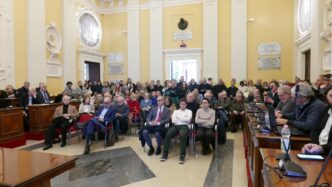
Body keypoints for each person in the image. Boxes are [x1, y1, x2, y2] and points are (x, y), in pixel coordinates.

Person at [302, 85, 332, 155]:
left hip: (328, 154)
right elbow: (315, 130)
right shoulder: (324, 110)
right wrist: (311, 144)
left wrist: (322, 148)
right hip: (318, 151)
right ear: (326, 97)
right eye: (331, 96)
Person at [161, 99, 192, 164]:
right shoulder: (176, 111)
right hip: (175, 126)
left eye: (184, 104)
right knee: (168, 134)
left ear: (186, 105)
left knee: (183, 135)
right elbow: (173, 121)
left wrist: (178, 118)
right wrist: (183, 119)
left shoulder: (189, 111)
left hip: (184, 126)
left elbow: (188, 120)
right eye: (181, 104)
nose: (182, 105)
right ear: (179, 105)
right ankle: (165, 153)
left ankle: (182, 154)